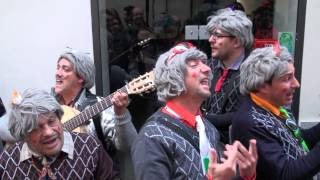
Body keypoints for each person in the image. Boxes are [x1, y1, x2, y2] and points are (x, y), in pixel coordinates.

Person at [131, 42, 257, 180]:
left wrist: (246, 176)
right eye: (194, 65)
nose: (207, 69)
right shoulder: (152, 138)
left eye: (204, 63)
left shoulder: (208, 129)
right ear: (174, 77)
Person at [232, 46, 320, 179]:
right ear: (261, 85)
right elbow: (285, 174)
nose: (296, 84)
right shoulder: (250, 123)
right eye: (287, 78)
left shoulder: (276, 107)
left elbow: (299, 140)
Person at [53, 50, 137, 179]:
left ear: (81, 77)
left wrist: (121, 113)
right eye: (58, 67)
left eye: (65, 69)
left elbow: (128, 145)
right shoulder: (47, 106)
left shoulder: (100, 106)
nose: (58, 73)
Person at [0, 88, 118, 179]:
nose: (49, 132)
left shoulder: (90, 146)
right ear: (24, 136)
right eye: (36, 128)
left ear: (59, 117)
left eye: (51, 121)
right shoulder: (7, 162)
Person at [202, 8, 254, 143]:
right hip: (205, 141)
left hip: (235, 149)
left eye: (217, 35)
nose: (210, 40)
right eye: (211, 34)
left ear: (236, 41)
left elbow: (248, 114)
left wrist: (204, 118)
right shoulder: (209, 65)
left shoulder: (253, 71)